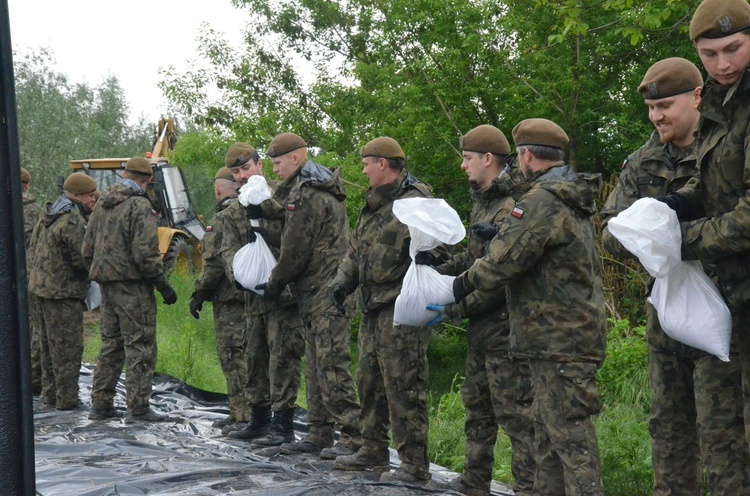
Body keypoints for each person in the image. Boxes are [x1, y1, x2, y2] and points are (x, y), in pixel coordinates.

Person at [601, 57, 750, 495]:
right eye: (651, 108)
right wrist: (650, 237)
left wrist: (673, 235)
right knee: (668, 428)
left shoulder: (723, 148)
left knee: (723, 434)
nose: (657, 116)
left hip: (724, 311)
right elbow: (611, 232)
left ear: (697, 97)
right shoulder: (641, 163)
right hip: (666, 314)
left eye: (665, 105)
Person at [446, 118, 606, 495]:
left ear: (526, 155)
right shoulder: (565, 194)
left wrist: (452, 291)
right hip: (561, 336)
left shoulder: (541, 200)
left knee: (570, 443)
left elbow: (501, 263)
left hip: (557, 339)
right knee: (549, 441)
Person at [421, 126, 536, 496]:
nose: (463, 166)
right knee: (478, 407)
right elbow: (473, 260)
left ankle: (530, 487)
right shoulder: (484, 200)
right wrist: (432, 273)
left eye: (468, 158)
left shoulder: (512, 203)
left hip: (505, 327)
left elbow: (501, 276)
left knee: (517, 415)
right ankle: (475, 480)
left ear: (488, 159)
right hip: (481, 330)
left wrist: (454, 306)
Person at [658, 0, 750, 451]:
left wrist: (679, 240)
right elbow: (715, 178)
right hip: (738, 295)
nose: (723, 64)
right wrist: (673, 205)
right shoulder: (723, 105)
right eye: (709, 55)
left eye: (733, 48)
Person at [250, 133, 363, 457]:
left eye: (278, 163)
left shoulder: (310, 193)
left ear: (296, 159)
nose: (275, 171)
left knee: (331, 366)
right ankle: (319, 432)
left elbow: (295, 251)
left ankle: (354, 436)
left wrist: (273, 284)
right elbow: (289, 226)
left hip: (326, 291)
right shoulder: (311, 187)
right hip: (316, 292)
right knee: (315, 367)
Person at [329, 137, 434, 483]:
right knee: (369, 380)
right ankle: (373, 448)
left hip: (402, 308)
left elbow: (438, 251)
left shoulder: (416, 203)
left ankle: (414, 465)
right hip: (372, 308)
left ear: (384, 164)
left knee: (404, 386)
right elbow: (355, 251)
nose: (362, 169)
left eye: (366, 163)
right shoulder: (371, 206)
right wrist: (343, 282)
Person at [218, 143, 305, 448]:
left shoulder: (284, 198)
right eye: (236, 172)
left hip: (284, 296)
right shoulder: (232, 212)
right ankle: (259, 419)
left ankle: (282, 424)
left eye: (246, 168)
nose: (242, 176)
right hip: (253, 298)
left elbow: (297, 240)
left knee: (283, 358)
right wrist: (238, 277)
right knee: (254, 357)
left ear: (260, 165)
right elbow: (226, 250)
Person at [82, 156, 178, 422]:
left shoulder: (102, 203)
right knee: (140, 345)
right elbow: (146, 254)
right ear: (147, 181)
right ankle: (138, 408)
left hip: (106, 285)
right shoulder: (140, 205)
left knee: (111, 345)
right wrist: (163, 286)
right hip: (133, 286)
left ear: (124, 175)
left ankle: (101, 405)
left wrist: (100, 275)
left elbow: (86, 248)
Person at [28, 173, 98, 410]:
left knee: (47, 347)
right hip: (63, 293)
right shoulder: (71, 220)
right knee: (67, 348)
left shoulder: (48, 214)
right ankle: (67, 400)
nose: (93, 200)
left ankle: (49, 395)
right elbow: (82, 258)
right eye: (90, 195)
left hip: (41, 289)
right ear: (76, 195)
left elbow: (34, 247)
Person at [189, 166, 251, 433]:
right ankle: (244, 413)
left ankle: (243, 414)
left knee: (233, 357)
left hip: (230, 300)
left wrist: (198, 294)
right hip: (253, 297)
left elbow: (213, 264)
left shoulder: (225, 217)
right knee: (250, 355)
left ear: (218, 189)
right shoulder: (252, 210)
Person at [21, 167, 43, 395]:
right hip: (28, 274)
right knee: (34, 325)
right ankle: (33, 377)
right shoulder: (32, 211)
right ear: (26, 185)